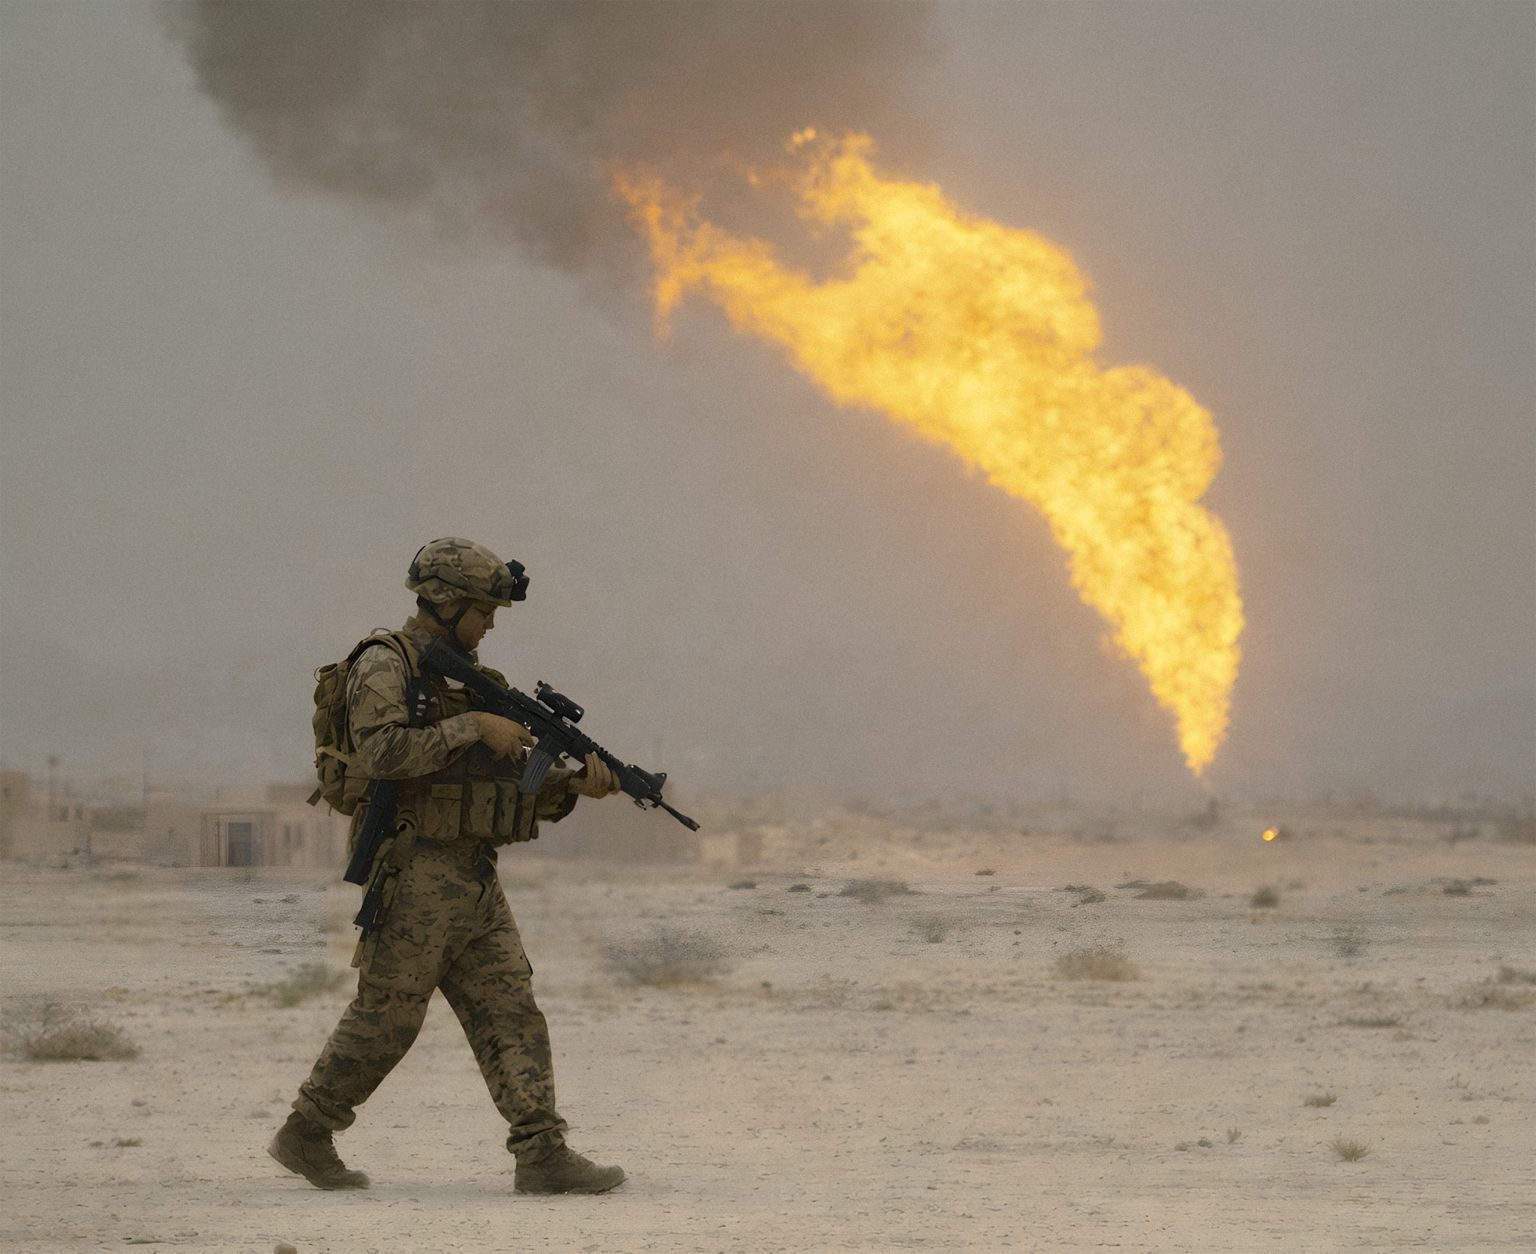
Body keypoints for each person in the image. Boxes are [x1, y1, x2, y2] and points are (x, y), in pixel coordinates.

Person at [269, 537, 627, 1195]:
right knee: (389, 1015)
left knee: (511, 1007)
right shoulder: (386, 665)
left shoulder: (469, 682)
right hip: (413, 868)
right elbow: (381, 755)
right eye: (482, 612)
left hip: (470, 873)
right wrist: (473, 730)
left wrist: (576, 787)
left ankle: (542, 1151)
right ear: (445, 602)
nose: (490, 625)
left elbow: (511, 784)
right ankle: (307, 1130)